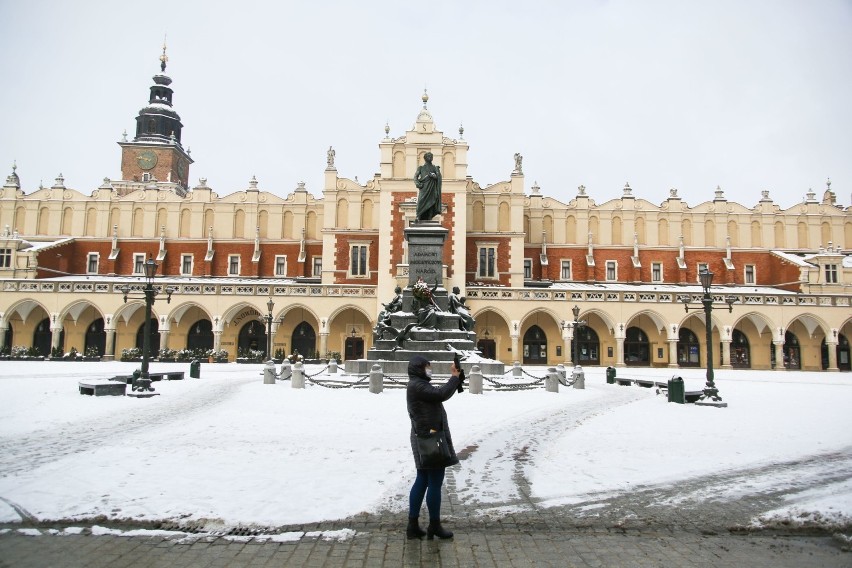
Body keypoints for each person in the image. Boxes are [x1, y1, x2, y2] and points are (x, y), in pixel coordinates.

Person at [406, 355, 463, 539]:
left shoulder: (418, 384)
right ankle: (434, 525)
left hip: (423, 436)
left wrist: (455, 379)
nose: (429, 370)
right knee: (434, 482)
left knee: (422, 479)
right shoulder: (418, 385)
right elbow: (440, 394)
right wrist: (454, 378)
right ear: (418, 369)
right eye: (426, 367)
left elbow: (438, 394)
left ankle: (413, 525)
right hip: (429, 439)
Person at [414, 152, 442, 221]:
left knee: (432, 202)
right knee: (421, 201)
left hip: (432, 187)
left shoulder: (435, 168)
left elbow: (438, 178)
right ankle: (418, 216)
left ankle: (429, 217)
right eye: (428, 156)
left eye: (431, 156)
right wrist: (417, 183)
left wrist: (434, 176)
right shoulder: (421, 168)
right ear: (425, 158)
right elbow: (415, 177)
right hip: (424, 187)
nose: (430, 157)